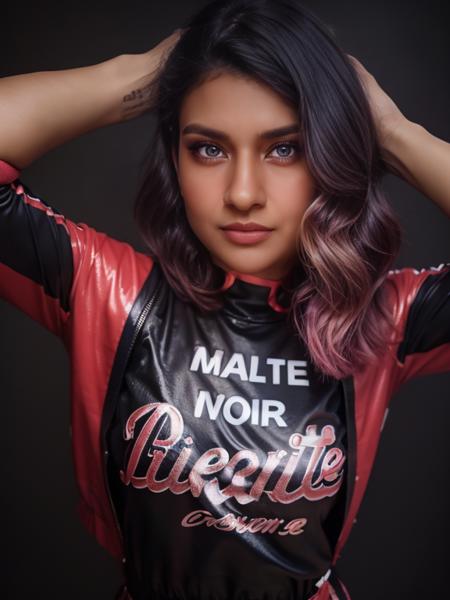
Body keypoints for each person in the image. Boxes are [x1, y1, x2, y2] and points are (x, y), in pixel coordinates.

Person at [0, 0, 449, 598]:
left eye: (284, 148)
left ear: (331, 155)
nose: (242, 193)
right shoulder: (108, 293)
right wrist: (139, 78)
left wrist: (392, 131)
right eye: (209, 148)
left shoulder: (381, 320)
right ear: (175, 158)